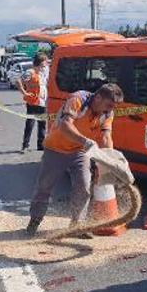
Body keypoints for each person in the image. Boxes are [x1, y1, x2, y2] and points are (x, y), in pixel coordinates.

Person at [26, 83, 124, 238]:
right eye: (109, 105)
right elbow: (65, 125)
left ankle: (76, 226)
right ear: (98, 97)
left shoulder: (107, 113)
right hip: (56, 148)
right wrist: (85, 141)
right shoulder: (78, 99)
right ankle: (35, 220)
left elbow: (106, 136)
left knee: (84, 186)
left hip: (80, 151)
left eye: (113, 107)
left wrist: (108, 160)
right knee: (44, 187)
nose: (111, 110)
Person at [16, 52, 49, 153]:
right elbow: (18, 81)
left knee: (42, 124)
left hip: (43, 102)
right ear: (38, 64)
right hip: (33, 103)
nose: (45, 66)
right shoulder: (30, 72)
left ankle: (41, 144)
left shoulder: (44, 72)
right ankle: (25, 145)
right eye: (43, 64)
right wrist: (25, 93)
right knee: (30, 124)